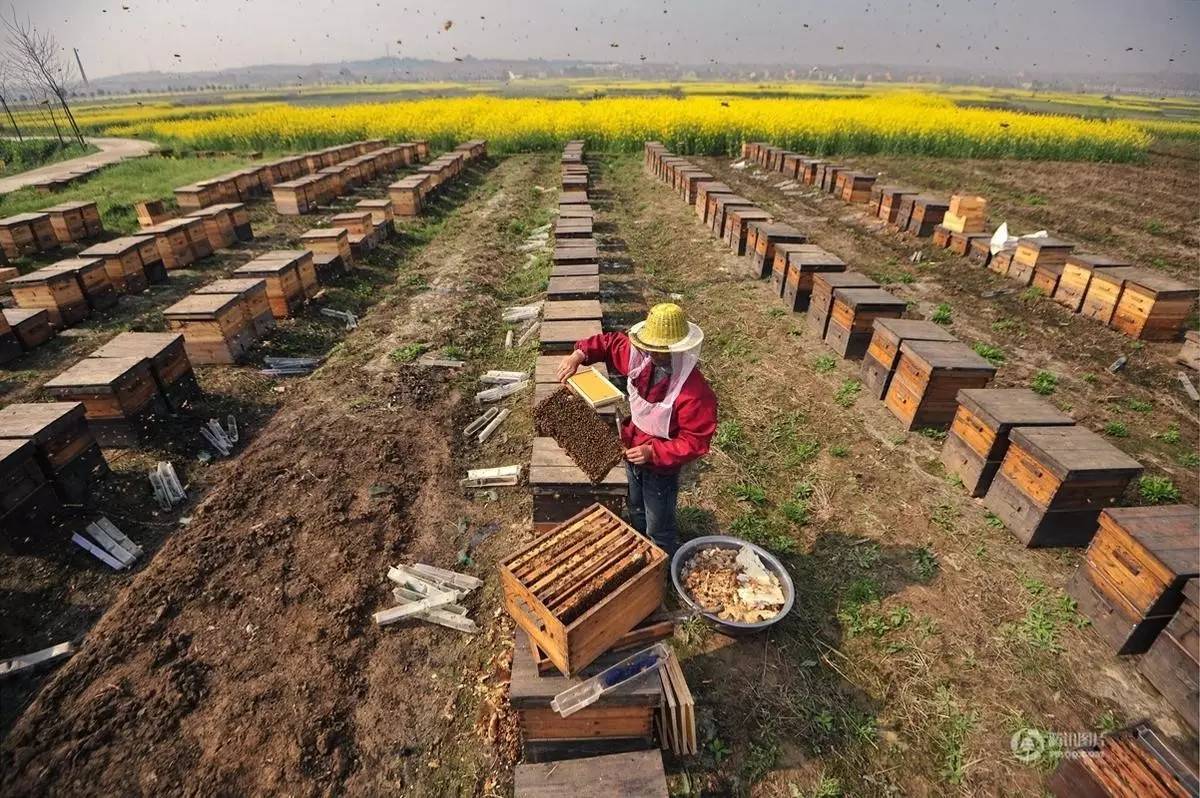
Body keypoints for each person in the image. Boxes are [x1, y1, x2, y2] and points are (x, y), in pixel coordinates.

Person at [557, 303, 717, 557]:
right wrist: (579, 355)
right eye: (651, 349)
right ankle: (641, 548)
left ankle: (661, 564)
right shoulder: (639, 357)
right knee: (636, 506)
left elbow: (695, 441)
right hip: (630, 447)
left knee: (658, 523)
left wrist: (653, 453)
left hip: (661, 466)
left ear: (679, 348)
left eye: (661, 352)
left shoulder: (694, 393)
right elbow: (609, 343)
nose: (654, 356)